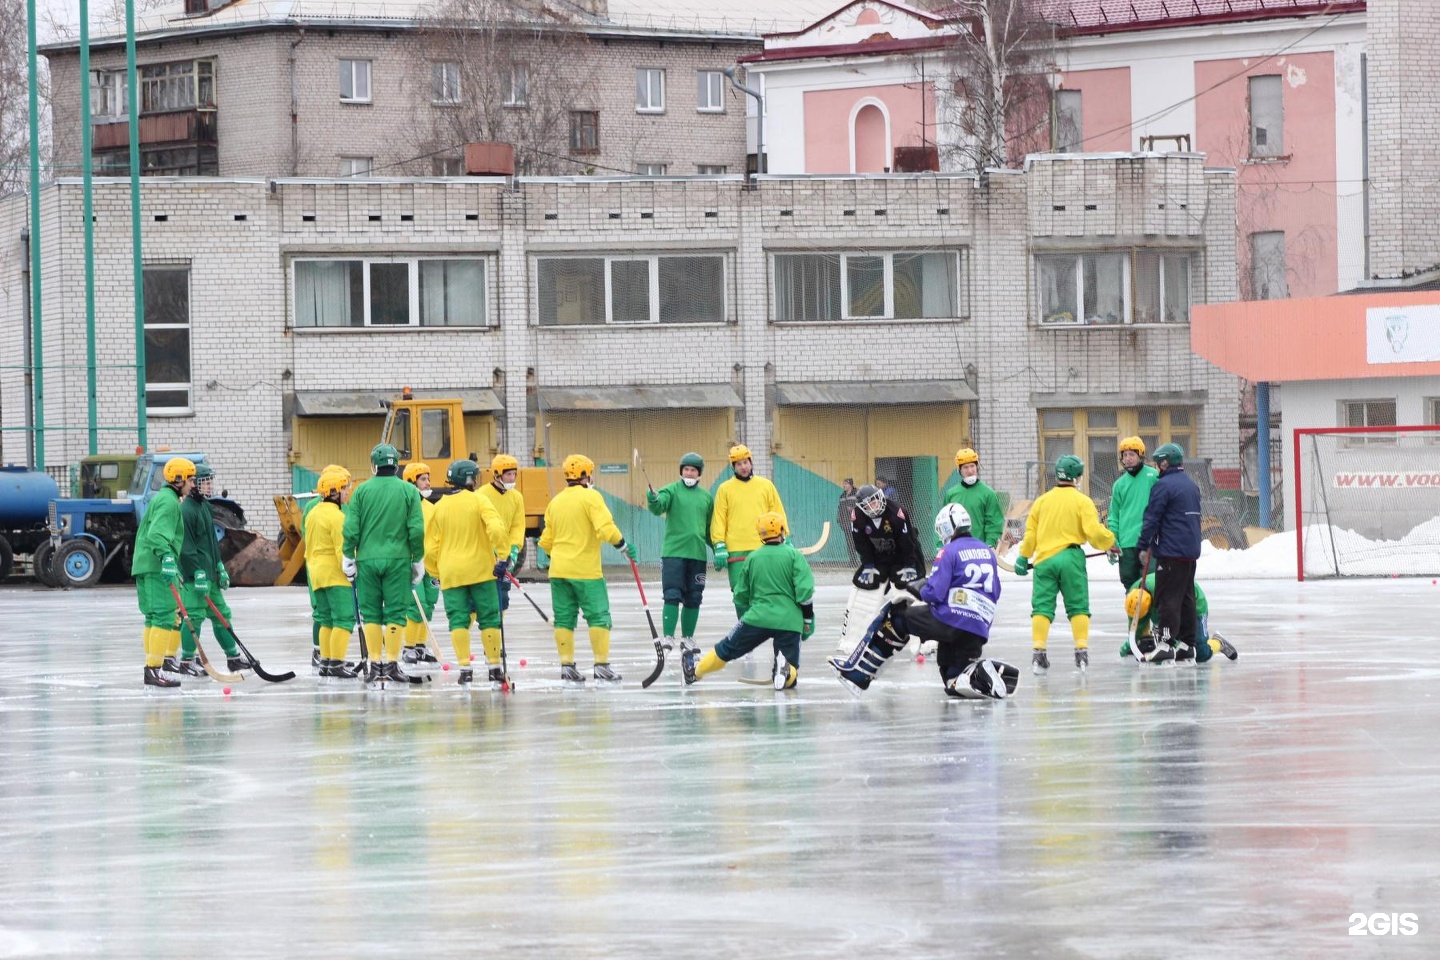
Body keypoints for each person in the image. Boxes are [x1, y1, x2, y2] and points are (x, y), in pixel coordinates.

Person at [829, 504, 1017, 699]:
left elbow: (934, 593)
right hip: (978, 628)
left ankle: (860, 675)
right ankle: (979, 674)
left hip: (951, 620)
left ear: (947, 528)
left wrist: (919, 587)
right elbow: (996, 591)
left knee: (897, 618)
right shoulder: (987, 552)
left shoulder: (949, 551)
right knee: (953, 681)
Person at [682, 512, 814, 690]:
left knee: (726, 648)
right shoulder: (794, 556)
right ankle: (786, 670)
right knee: (791, 672)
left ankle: (695, 672)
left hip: (757, 616)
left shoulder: (753, 558)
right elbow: (805, 593)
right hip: (789, 620)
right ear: (782, 530)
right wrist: (806, 621)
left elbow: (741, 594)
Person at [537, 454, 637, 684]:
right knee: (599, 617)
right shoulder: (591, 497)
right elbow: (605, 528)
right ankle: (601, 665)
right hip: (586, 572)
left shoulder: (556, 502)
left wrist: (560, 557)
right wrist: (623, 545)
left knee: (563, 619)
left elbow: (545, 542)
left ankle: (567, 666)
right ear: (584, 475)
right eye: (590, 472)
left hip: (559, 572)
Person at [1013, 455, 1116, 673]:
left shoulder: (1041, 502)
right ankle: (1081, 653)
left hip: (1044, 560)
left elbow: (1030, 534)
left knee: (1042, 607)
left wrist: (1023, 556)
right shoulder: (1082, 502)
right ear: (1078, 476)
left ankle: (1038, 655)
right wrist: (1110, 543)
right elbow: (1093, 532)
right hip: (1071, 559)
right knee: (1078, 606)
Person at [342, 443, 426, 684]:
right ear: (396, 464)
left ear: (374, 466)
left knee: (370, 613)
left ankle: (374, 664)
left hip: (367, 560)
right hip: (398, 559)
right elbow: (416, 529)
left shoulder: (361, 491)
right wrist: (418, 558)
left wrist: (348, 554)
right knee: (396, 612)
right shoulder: (409, 492)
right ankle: (391, 663)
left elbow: (351, 528)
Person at [428, 459, 510, 686]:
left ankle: (465, 669)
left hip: (451, 574)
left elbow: (430, 547)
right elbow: (496, 527)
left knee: (458, 620)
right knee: (490, 618)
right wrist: (503, 556)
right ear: (469, 479)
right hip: (482, 571)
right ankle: (494, 668)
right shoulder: (479, 500)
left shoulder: (439, 507)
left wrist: (434, 571)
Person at [175, 463, 255, 677]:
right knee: (194, 616)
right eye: (205, 482)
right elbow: (186, 546)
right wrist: (196, 572)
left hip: (210, 574)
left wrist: (219, 566)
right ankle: (187, 661)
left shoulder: (205, 507)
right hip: (195, 578)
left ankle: (233, 658)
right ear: (193, 485)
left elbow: (211, 542)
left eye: (210, 481)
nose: (209, 486)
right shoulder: (186, 510)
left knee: (222, 615)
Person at [1135, 443, 1204, 661]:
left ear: (1165, 463)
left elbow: (1152, 517)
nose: (1156, 467)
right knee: (1186, 597)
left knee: (1167, 599)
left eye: (1158, 463)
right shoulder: (1191, 485)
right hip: (1189, 551)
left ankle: (1165, 643)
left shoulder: (1163, 486)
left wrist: (1143, 545)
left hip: (1171, 552)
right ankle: (1187, 644)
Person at [645, 452, 714, 658]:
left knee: (694, 597)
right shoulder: (671, 490)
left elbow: (710, 528)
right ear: (681, 471)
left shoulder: (706, 498)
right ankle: (668, 637)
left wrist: (719, 548)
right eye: (686, 469)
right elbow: (659, 506)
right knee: (672, 595)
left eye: (693, 470)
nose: (689, 473)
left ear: (699, 473)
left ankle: (687, 638)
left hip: (697, 556)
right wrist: (653, 498)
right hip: (674, 554)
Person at [132, 457, 194, 687]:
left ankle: (153, 667)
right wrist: (167, 559)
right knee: (164, 616)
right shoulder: (168, 502)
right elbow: (157, 535)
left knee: (152, 616)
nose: (193, 484)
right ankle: (154, 669)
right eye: (190, 479)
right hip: (156, 566)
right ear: (179, 480)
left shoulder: (164, 498)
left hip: (147, 564)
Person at [710, 444, 788, 618]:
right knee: (740, 593)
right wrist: (719, 544)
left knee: (763, 591)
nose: (743, 467)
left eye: (745, 462)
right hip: (736, 549)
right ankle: (744, 629)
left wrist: (785, 536)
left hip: (763, 547)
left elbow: (777, 512)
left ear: (751, 462)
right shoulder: (724, 489)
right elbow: (719, 518)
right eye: (738, 464)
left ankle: (763, 628)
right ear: (733, 467)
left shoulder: (766, 485)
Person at [306, 469, 360, 678]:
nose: (347, 492)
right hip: (335, 575)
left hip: (317, 574)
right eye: (345, 488)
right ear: (335, 492)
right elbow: (342, 549)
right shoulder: (337, 517)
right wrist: (352, 570)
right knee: (344, 620)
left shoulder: (312, 513)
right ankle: (337, 664)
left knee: (326, 620)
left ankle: (326, 663)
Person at [1122, 574, 1237, 663]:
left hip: (1194, 605)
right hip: (1167, 607)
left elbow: (1176, 618)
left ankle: (1218, 642)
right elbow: (1137, 629)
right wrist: (1131, 645)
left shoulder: (1164, 593)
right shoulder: (1134, 594)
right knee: (1147, 644)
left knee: (1200, 653)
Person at [401, 461, 441, 665]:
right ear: (411, 481)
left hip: (432, 564)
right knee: (417, 605)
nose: (427, 483)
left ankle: (420, 646)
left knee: (429, 605)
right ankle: (408, 647)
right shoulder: (404, 506)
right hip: (413, 563)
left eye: (428, 478)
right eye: (423, 479)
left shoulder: (432, 508)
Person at [849, 483, 925, 590]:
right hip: (879, 554)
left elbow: (907, 540)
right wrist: (868, 564)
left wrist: (910, 564)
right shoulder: (857, 516)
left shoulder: (896, 511)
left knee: (907, 583)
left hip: (902, 553)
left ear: (880, 497)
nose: (872, 507)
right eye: (867, 505)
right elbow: (861, 543)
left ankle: (903, 606)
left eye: (873, 502)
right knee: (866, 583)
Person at [1106, 436, 1159, 587]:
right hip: (1127, 544)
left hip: (1149, 541)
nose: (1128, 458)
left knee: (1150, 583)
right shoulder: (1119, 485)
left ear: (1140, 455)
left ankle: (1151, 611)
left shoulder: (1153, 476)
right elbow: (1114, 516)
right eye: (1125, 455)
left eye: (1132, 454)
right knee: (1129, 582)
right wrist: (1113, 539)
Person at [479, 453, 527, 614]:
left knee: (503, 598)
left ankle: (497, 635)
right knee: (482, 600)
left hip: (505, 556)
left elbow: (518, 526)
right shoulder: (481, 494)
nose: (512, 478)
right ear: (497, 475)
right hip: (485, 554)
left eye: (514, 474)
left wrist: (512, 552)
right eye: (508, 474)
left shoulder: (517, 497)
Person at [939, 447, 1005, 549]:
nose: (970, 471)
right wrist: (941, 546)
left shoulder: (988, 493)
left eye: (972, 466)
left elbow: (994, 523)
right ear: (959, 470)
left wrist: (990, 544)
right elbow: (943, 521)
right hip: (956, 550)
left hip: (980, 549)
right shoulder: (951, 494)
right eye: (965, 467)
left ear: (977, 467)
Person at [837, 479, 858, 563]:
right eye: (843, 484)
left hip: (856, 522)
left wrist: (852, 509)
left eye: (846, 484)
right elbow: (840, 508)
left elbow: (862, 506)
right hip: (846, 522)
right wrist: (839, 519)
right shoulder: (842, 495)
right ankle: (852, 561)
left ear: (851, 485)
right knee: (849, 542)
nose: (844, 485)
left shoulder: (857, 493)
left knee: (858, 541)